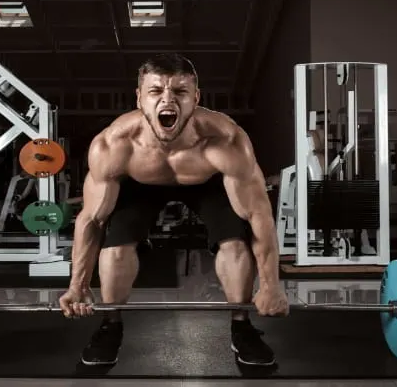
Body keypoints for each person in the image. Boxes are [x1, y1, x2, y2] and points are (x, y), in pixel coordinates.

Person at [59, 53, 289, 367]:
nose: (168, 100)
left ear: (196, 98)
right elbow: (92, 219)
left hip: (206, 180)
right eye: (156, 91)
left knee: (234, 244)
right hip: (141, 183)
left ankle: (242, 326)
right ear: (139, 98)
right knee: (115, 249)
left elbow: (258, 215)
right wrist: (78, 287)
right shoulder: (115, 145)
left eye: (180, 92)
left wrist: (271, 286)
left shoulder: (225, 140)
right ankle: (110, 326)